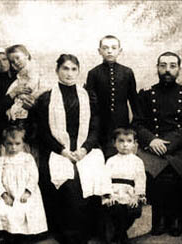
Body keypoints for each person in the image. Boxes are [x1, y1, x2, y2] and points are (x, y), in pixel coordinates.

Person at [28, 54, 111, 244]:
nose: (69, 73)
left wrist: (84, 149)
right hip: (58, 149)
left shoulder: (88, 95)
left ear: (79, 71)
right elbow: (43, 132)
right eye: (65, 68)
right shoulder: (47, 98)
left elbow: (95, 127)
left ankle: (88, 232)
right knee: (69, 180)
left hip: (85, 147)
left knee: (89, 175)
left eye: (74, 69)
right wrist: (62, 150)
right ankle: (68, 235)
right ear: (57, 71)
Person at [132, 51, 182, 237]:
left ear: (179, 69)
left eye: (172, 66)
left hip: (178, 146)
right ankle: (158, 218)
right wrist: (151, 140)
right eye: (163, 65)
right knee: (151, 170)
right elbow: (137, 123)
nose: (167, 70)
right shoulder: (146, 93)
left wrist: (167, 145)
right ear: (157, 68)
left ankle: (175, 218)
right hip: (151, 145)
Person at [0, 125, 48, 244]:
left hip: (23, 192)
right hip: (7, 192)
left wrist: (28, 192)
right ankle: (4, 234)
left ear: (23, 144)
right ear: (4, 144)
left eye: (17, 143)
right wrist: (4, 194)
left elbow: (34, 176)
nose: (13, 147)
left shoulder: (27, 158)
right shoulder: (2, 159)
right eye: (9, 144)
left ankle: (24, 236)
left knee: (24, 209)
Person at [85, 35, 140, 158]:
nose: (109, 51)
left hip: (122, 124)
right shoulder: (93, 73)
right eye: (105, 48)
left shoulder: (127, 72)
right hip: (101, 125)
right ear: (99, 51)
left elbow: (134, 101)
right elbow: (91, 103)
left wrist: (133, 126)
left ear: (120, 50)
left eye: (113, 48)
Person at [102, 128, 147, 244]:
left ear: (134, 143)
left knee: (132, 209)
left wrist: (136, 196)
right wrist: (109, 195)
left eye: (129, 141)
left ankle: (119, 234)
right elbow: (105, 179)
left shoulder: (137, 161)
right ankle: (122, 236)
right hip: (114, 193)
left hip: (130, 194)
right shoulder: (111, 161)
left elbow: (140, 180)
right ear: (114, 143)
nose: (125, 145)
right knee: (116, 208)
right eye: (121, 141)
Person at [4, 44, 42, 122]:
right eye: (12, 61)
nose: (16, 62)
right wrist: (11, 92)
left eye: (17, 58)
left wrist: (25, 91)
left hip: (32, 91)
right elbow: (16, 83)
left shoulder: (32, 68)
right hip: (23, 90)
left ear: (26, 55)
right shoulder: (20, 72)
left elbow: (33, 82)